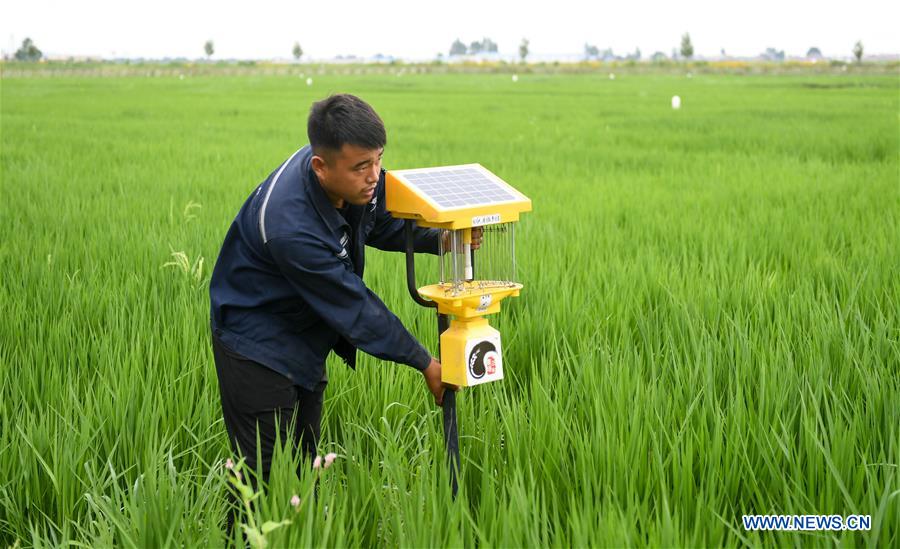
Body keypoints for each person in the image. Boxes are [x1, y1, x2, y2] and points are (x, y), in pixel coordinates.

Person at [209, 94, 476, 520]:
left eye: (378, 160)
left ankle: (304, 533)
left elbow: (381, 220)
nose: (375, 177)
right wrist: (425, 362)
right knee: (258, 483)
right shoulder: (290, 226)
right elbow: (354, 308)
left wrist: (442, 239)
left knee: (303, 465)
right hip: (254, 341)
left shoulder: (347, 175)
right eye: (361, 167)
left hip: (305, 334)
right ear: (321, 166)